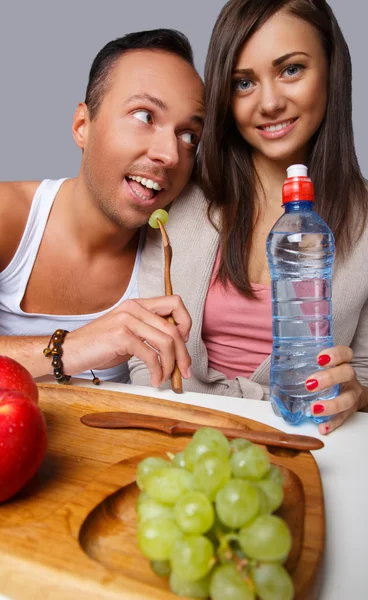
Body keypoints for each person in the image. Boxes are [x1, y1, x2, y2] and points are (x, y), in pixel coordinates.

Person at [130, 0, 368, 434]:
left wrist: (355, 394)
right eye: (243, 83)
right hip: (182, 435)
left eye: (291, 69)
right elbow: (143, 355)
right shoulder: (180, 194)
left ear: (332, 70)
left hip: (305, 439)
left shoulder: (366, 221)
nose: (270, 103)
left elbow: (363, 372)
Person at [0, 29, 205, 387]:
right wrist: (70, 348)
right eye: (145, 116)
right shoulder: (2, 213)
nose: (170, 155)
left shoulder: (175, 255)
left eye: (189, 136)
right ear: (83, 125)